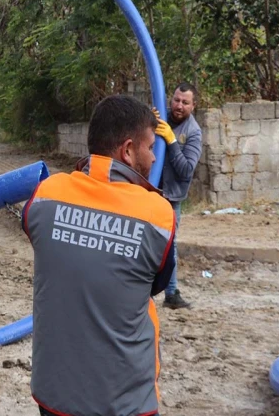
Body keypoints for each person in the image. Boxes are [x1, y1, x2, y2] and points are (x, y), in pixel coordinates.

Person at [24, 95, 176, 416]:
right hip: (122, 402)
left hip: (54, 396)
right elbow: (155, 283)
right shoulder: (157, 215)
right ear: (128, 149)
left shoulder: (46, 194)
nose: (152, 159)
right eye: (150, 148)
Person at [154, 83, 203, 310]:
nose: (179, 106)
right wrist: (147, 123)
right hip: (150, 190)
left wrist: (172, 141)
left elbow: (185, 171)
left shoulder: (193, 133)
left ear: (193, 105)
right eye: (176, 100)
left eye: (185, 102)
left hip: (172, 197)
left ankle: (171, 293)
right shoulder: (159, 117)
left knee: (169, 245)